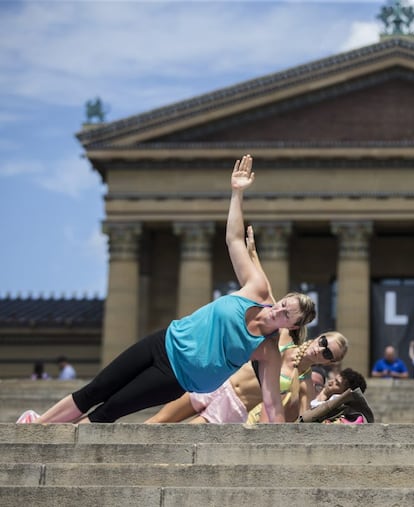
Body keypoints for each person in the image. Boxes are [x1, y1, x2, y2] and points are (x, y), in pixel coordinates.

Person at [24, 154, 316, 424]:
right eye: (283, 303)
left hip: (177, 376)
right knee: (96, 389)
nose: (278, 309)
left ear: (293, 324)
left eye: (286, 313)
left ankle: (65, 440)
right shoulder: (258, 290)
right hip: (163, 342)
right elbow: (234, 239)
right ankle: (37, 428)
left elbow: (271, 402)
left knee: (111, 409)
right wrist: (237, 193)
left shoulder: (267, 350)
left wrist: (278, 441)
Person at [147, 330, 347, 424]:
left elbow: (305, 422)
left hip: (234, 407)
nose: (321, 350)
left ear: (329, 363)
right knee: (158, 421)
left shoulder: (305, 382)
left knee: (181, 437)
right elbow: (275, 306)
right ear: (319, 336)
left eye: (328, 354)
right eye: (323, 342)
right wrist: (250, 253)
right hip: (217, 384)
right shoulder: (285, 338)